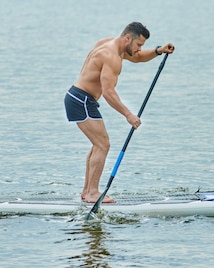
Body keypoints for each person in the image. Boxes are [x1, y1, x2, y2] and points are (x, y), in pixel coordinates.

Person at [64, 22, 175, 203]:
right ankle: (92, 192)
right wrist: (128, 115)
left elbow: (137, 57)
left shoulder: (109, 43)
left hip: (79, 98)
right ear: (128, 38)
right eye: (139, 45)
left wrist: (158, 51)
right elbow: (108, 93)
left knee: (98, 144)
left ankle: (87, 191)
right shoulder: (110, 56)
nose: (140, 49)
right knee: (102, 145)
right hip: (81, 100)